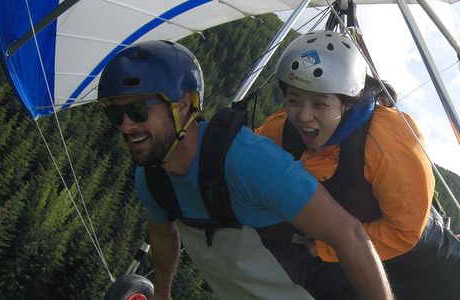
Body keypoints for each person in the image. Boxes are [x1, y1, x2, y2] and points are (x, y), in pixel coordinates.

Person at [97, 40, 392, 300]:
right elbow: (162, 235)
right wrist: (162, 292)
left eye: (137, 111)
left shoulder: (247, 161)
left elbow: (349, 234)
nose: (126, 125)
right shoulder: (151, 177)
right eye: (115, 113)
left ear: (183, 104)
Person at [255, 30, 460, 299]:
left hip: (425, 265)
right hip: (352, 264)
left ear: (347, 104)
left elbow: (404, 231)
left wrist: (326, 246)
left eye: (319, 104)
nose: (304, 115)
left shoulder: (388, 143)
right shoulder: (279, 131)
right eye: (294, 100)